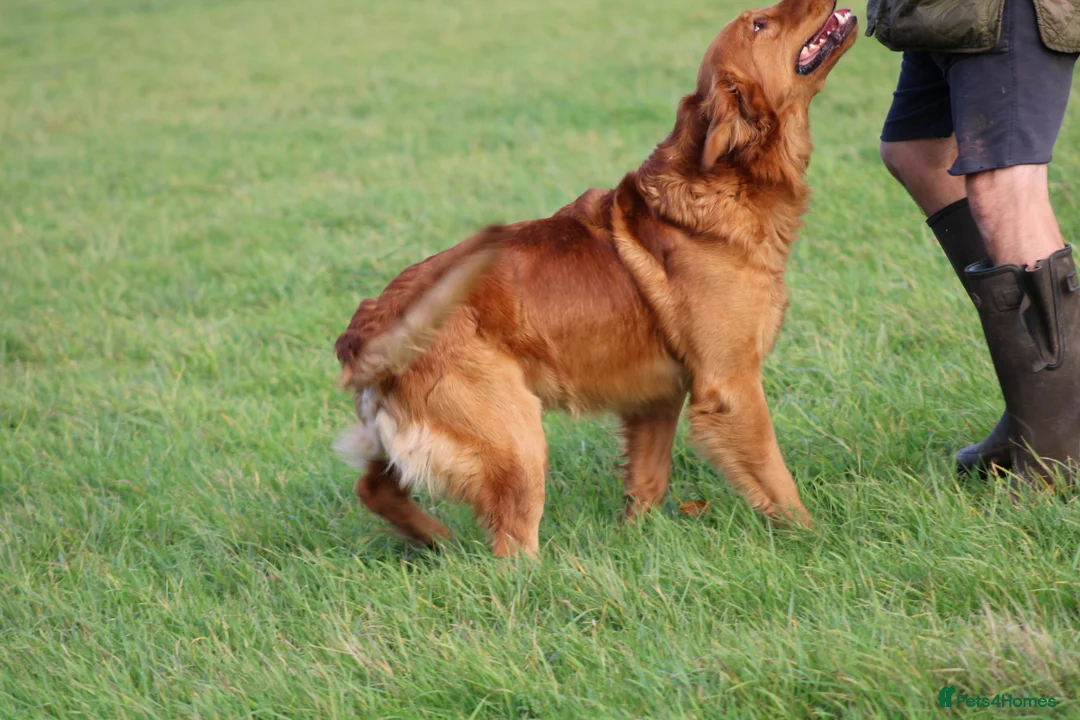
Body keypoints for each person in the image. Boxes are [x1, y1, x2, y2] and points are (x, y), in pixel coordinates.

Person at [866, 0, 1080, 486]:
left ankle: (1056, 454)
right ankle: (1042, 406)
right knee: (918, 153)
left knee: (1004, 186)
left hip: (1004, 10)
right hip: (946, 10)